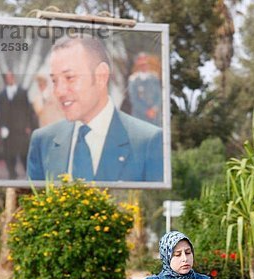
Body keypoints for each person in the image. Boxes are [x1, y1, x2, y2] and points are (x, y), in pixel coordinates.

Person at [27, 36, 163, 183]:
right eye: (54, 80)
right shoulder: (42, 141)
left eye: (70, 77)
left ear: (101, 76)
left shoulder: (149, 140)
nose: (59, 91)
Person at [0, 70, 37, 179]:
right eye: (7, 77)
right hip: (8, 129)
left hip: (21, 127)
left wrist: (29, 125)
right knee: (9, 153)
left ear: (13, 77)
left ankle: (28, 174)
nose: (9, 79)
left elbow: (28, 110)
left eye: (11, 77)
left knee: (24, 151)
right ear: (5, 79)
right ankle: (12, 174)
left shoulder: (22, 92)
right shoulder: (2, 94)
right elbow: (0, 111)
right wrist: (2, 126)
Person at [128, 53, 162, 126]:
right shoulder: (133, 80)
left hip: (154, 117)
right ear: (138, 64)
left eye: (145, 63)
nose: (144, 66)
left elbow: (159, 96)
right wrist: (146, 111)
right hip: (139, 116)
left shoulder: (154, 78)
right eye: (141, 64)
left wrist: (154, 109)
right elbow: (134, 99)